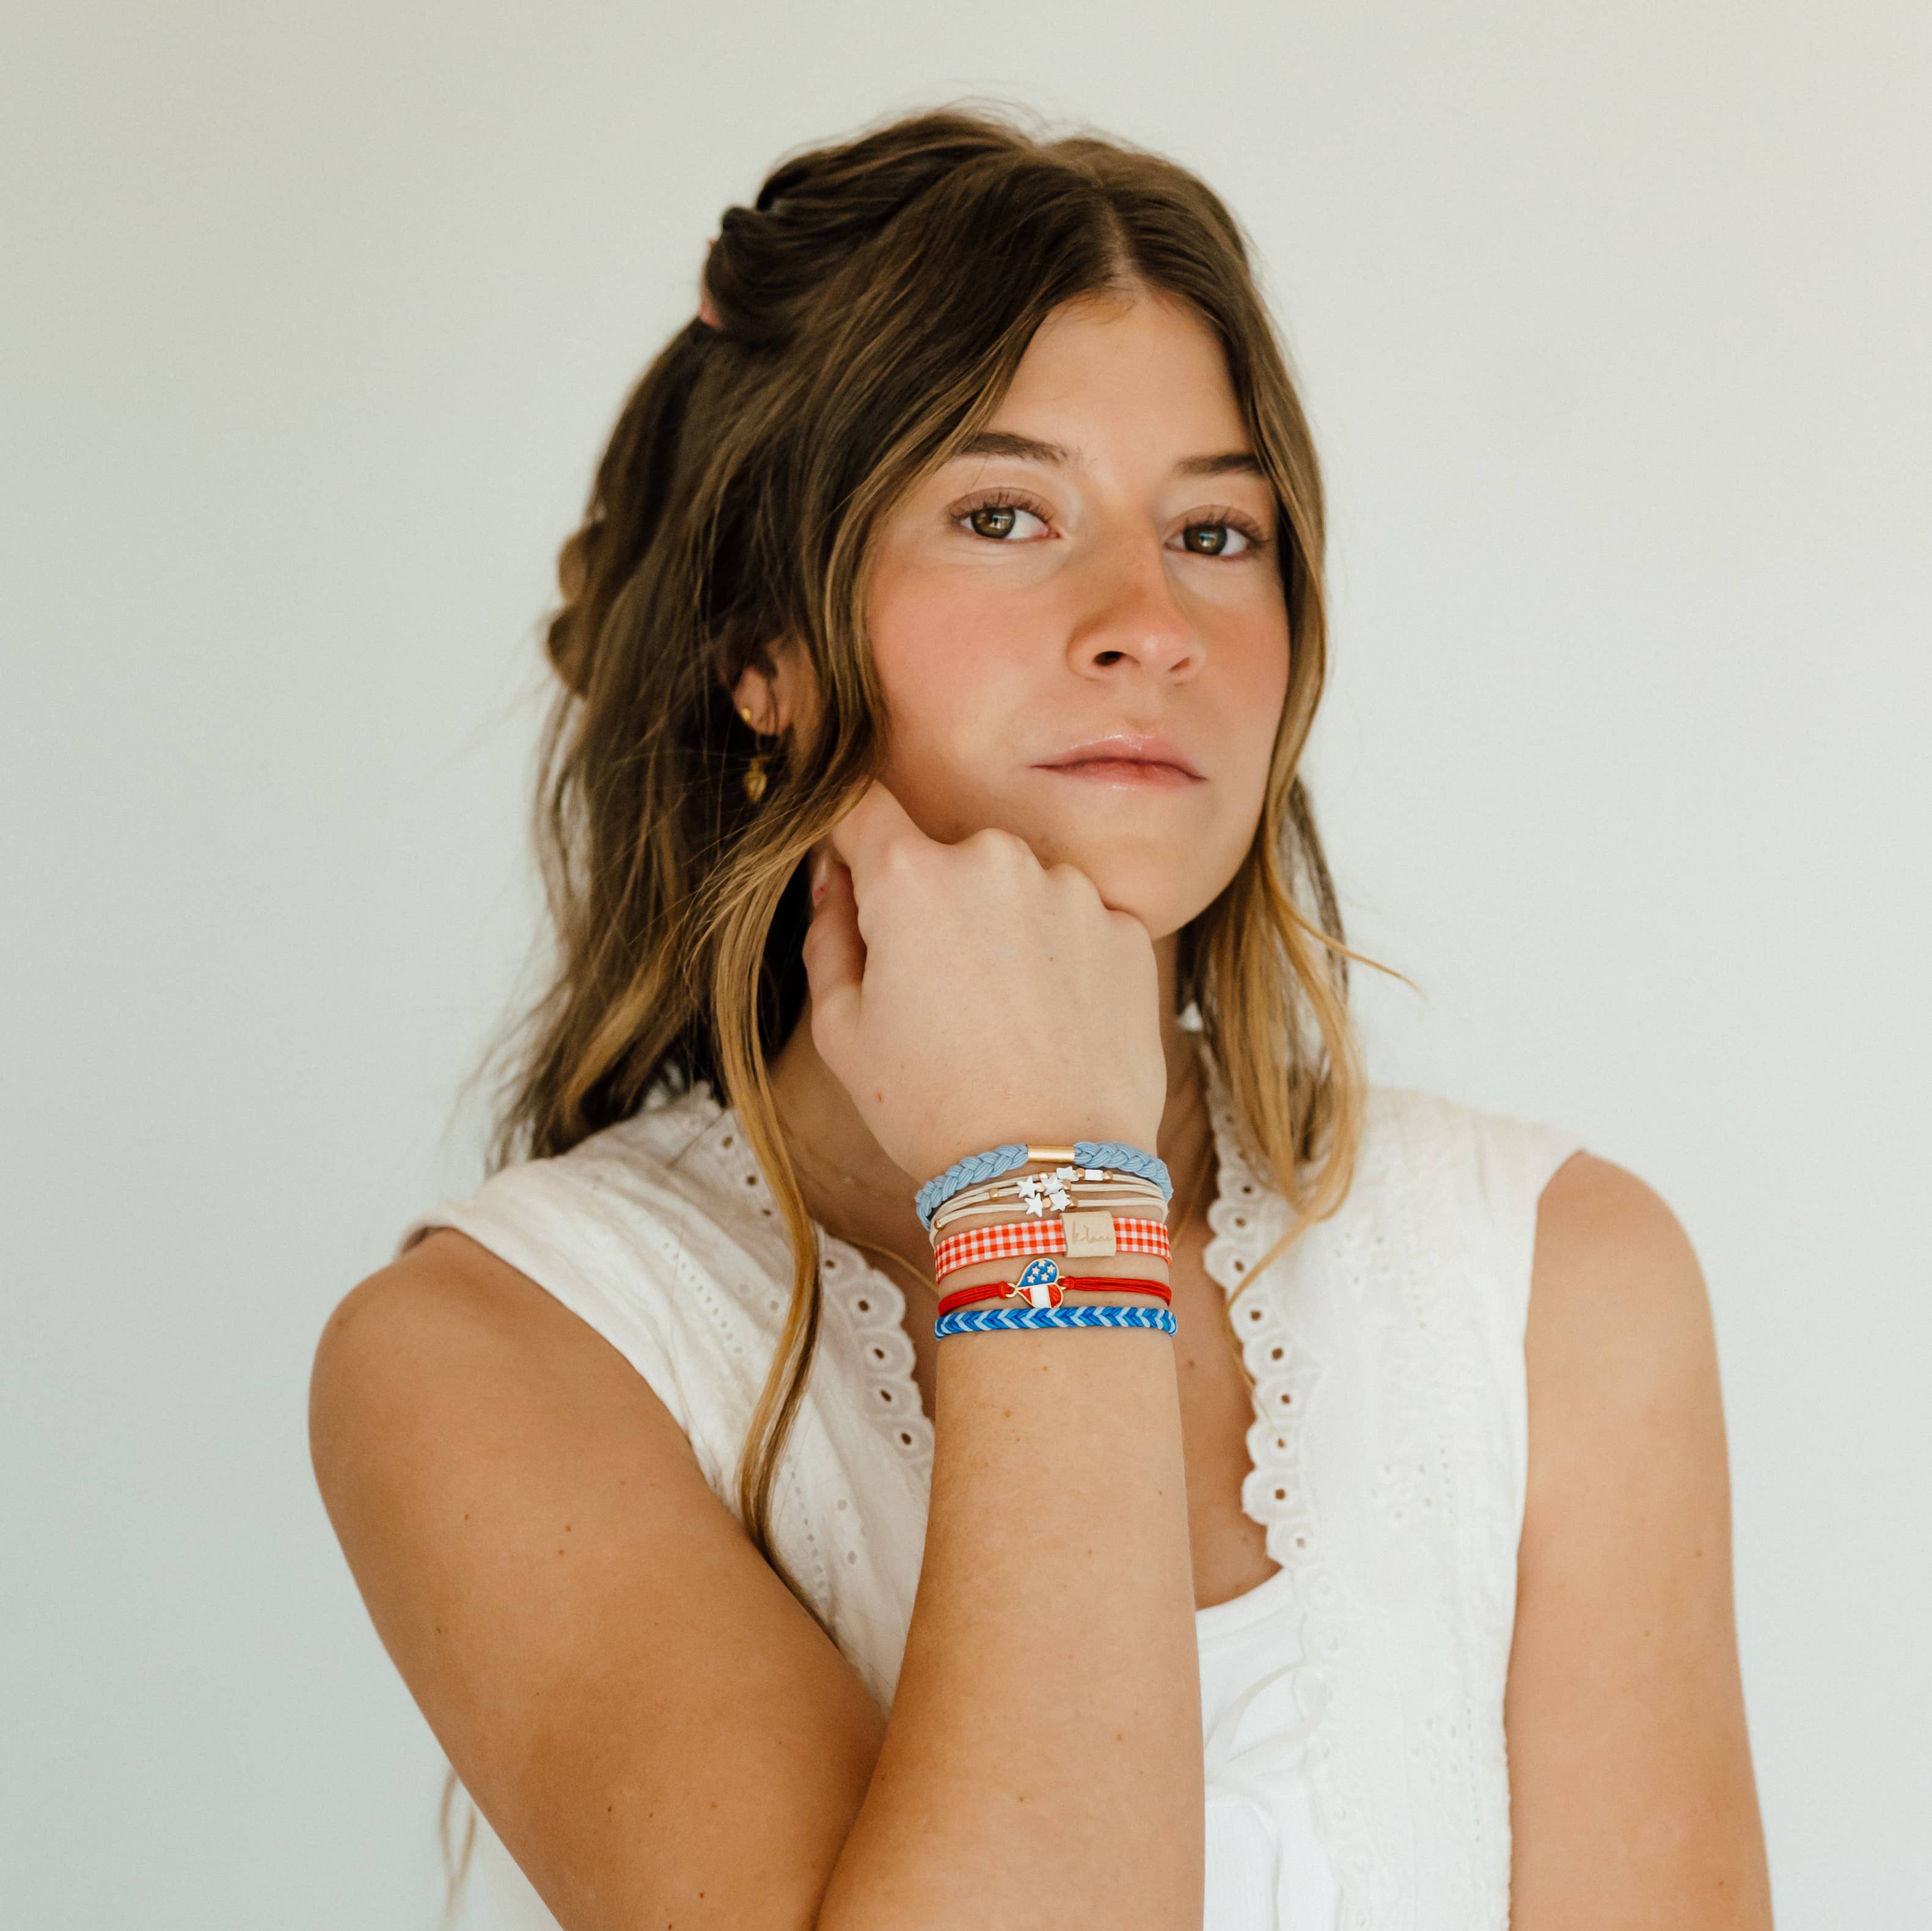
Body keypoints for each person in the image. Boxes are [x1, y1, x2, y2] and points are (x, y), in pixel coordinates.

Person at [307, 105, 1773, 1931]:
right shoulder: (492, 1353)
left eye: (1215, 530)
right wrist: (1043, 1192)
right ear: (758, 647)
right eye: (1005, 512)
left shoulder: (1555, 1280)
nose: (1147, 620)